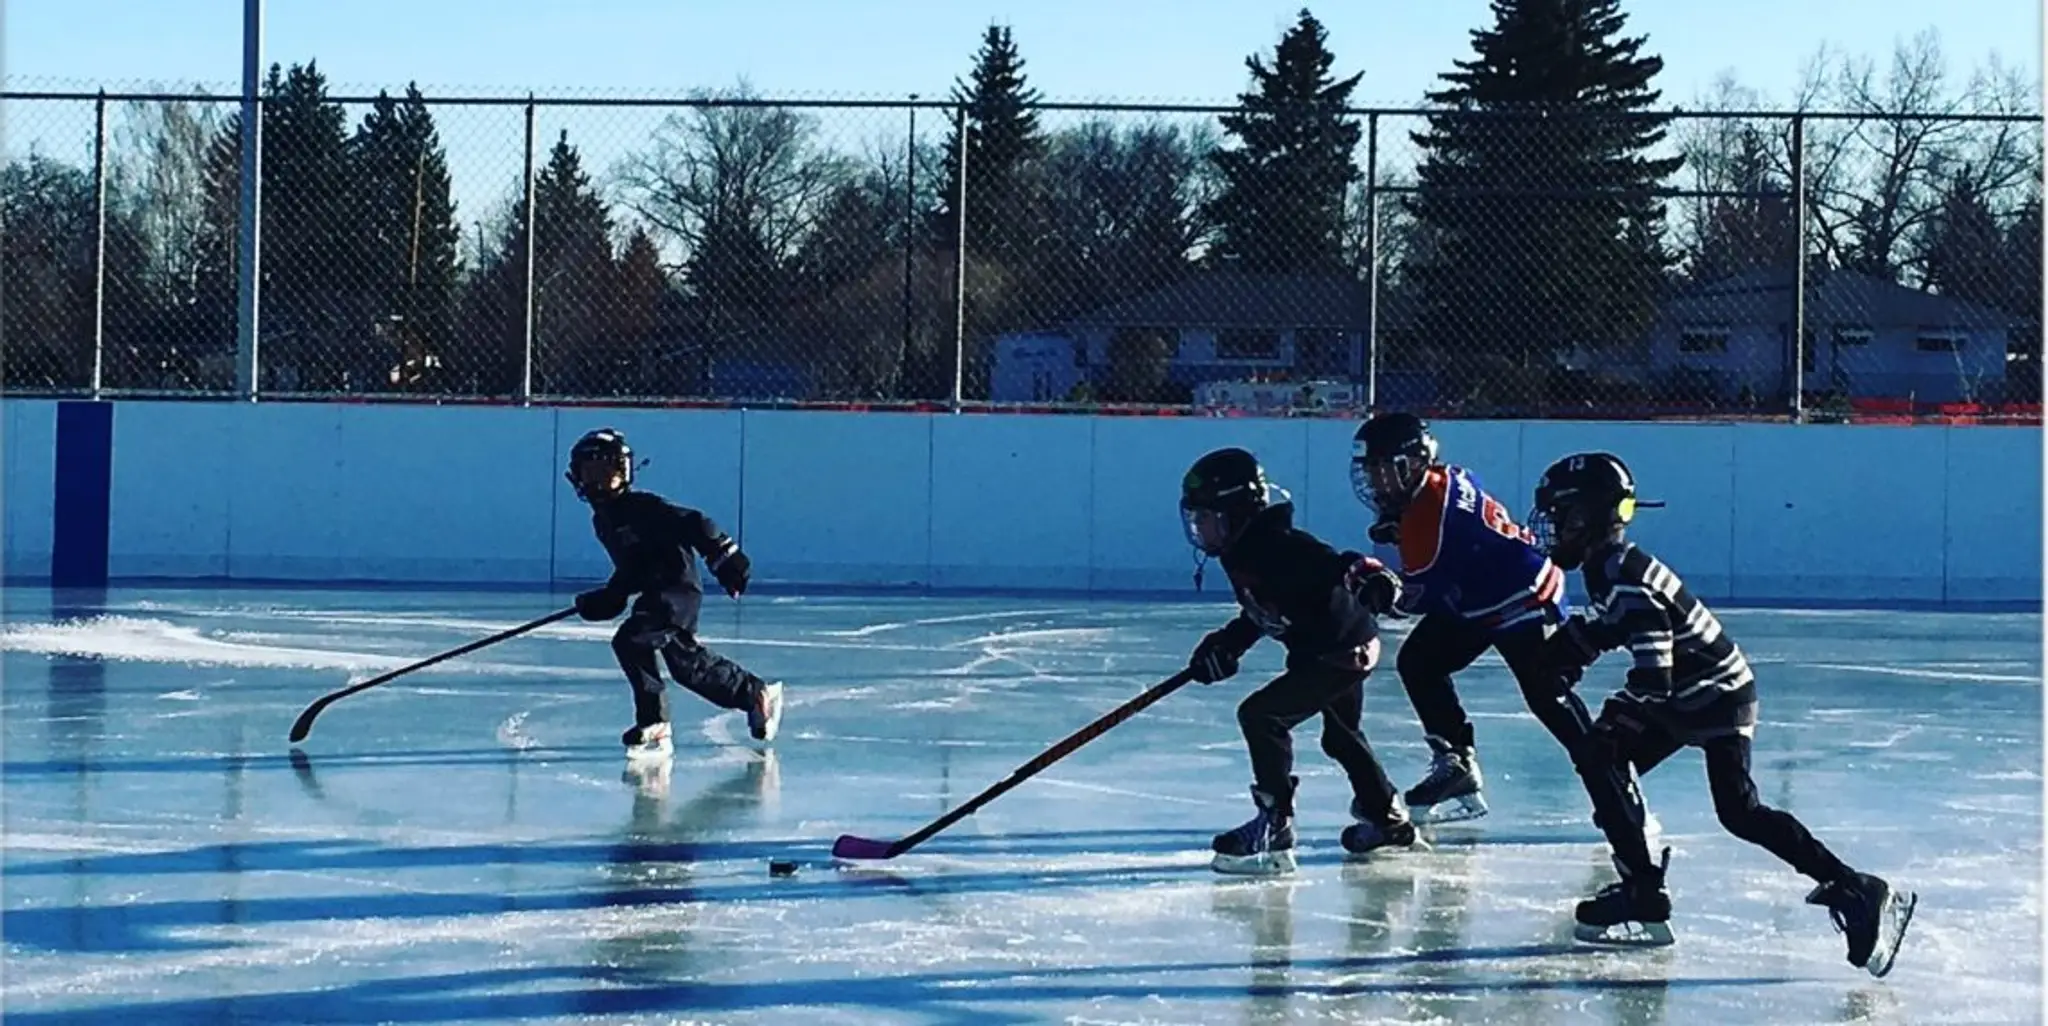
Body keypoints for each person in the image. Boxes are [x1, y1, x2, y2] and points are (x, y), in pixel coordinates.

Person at [1528, 450, 1915, 976]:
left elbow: (1653, 675)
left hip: (1713, 695)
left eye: (1563, 517)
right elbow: (1612, 625)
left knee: (1731, 807)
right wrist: (1567, 652)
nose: (1554, 530)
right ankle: (1642, 889)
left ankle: (1855, 888)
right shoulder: (1611, 568)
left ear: (1591, 517)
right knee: (1606, 764)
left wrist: (1609, 714)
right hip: (1692, 692)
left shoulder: (1624, 577)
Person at [1350, 411, 1599, 824]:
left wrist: (1372, 589)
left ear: (1410, 465)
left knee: (1546, 697)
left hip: (1522, 596)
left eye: (1380, 468)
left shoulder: (1427, 522)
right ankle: (1456, 764)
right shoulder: (1442, 479)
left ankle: (1612, 778)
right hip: (1483, 591)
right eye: (1370, 469)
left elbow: (1414, 597)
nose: (1373, 480)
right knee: (1419, 662)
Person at [1178, 446, 1417, 876]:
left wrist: (1370, 576)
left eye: (1208, 517)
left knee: (1261, 716)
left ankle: (1275, 828)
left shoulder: (1277, 546)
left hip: (1341, 651)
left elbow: (1337, 564)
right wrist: (1227, 644)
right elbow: (1261, 609)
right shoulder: (1240, 550)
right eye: (1196, 518)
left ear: (1237, 511)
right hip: (1326, 648)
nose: (1201, 529)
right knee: (1341, 738)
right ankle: (1388, 820)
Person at [565, 428, 784, 759]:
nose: (599, 481)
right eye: (590, 473)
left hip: (676, 590)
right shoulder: (604, 521)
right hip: (654, 596)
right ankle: (754, 694)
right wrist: (607, 597)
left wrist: (726, 558)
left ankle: (654, 722)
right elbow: (632, 569)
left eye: (607, 472)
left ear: (623, 472)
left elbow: (696, 523)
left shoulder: (643, 507)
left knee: (631, 639)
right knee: (687, 666)